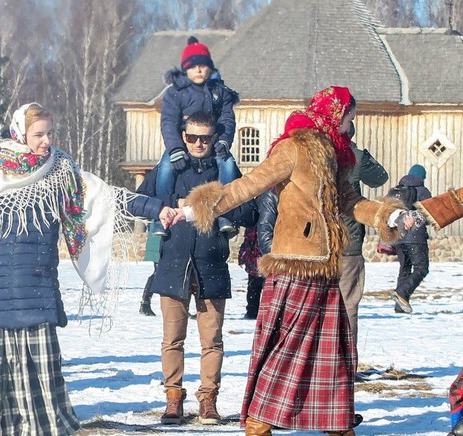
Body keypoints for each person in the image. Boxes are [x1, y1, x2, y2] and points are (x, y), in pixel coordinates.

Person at [0, 102, 179, 435]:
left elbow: (109, 197)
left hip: (43, 277)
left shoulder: (61, 171)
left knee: (10, 360)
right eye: (38, 134)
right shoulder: (1, 176)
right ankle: (44, 426)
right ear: (21, 134)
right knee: (42, 361)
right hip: (13, 281)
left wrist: (156, 208)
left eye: (49, 133)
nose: (46, 141)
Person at [181, 86, 416, 436]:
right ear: (336, 113)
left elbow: (350, 201)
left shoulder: (336, 155)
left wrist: (389, 217)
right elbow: (252, 183)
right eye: (350, 116)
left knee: (332, 350)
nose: (352, 124)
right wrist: (197, 207)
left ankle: (335, 421)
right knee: (289, 344)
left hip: (326, 264)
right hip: (296, 260)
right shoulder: (294, 147)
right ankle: (260, 417)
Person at [136, 111, 256, 425]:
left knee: (212, 340)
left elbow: (249, 210)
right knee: (172, 339)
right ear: (184, 136)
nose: (199, 143)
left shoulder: (225, 169)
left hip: (211, 265)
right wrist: (161, 207)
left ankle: (208, 400)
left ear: (215, 137)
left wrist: (210, 206)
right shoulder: (169, 169)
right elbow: (140, 200)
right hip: (173, 264)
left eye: (206, 137)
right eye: (192, 137)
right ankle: (173, 397)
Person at [152, 36, 240, 237]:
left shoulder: (220, 92)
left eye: (203, 66)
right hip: (184, 142)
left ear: (210, 68)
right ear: (185, 70)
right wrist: (175, 149)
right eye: (193, 67)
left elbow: (227, 119)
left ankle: (226, 213)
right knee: (165, 168)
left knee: (228, 165)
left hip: (213, 142)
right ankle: (161, 216)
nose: (199, 70)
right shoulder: (176, 93)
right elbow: (168, 122)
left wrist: (224, 141)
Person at [338, 121, 389, 335]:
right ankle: (345, 364)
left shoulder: (317, 154)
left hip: (316, 243)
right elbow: (379, 178)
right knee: (348, 304)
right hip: (347, 243)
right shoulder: (354, 157)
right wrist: (359, 153)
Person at [388, 164, 432, 314]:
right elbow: (429, 214)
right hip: (416, 237)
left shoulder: (396, 191)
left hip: (398, 237)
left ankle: (400, 306)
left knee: (404, 269)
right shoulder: (423, 191)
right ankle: (401, 293)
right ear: (422, 177)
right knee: (421, 268)